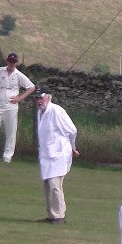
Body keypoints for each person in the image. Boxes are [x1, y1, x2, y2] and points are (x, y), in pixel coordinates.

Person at [35, 91, 78, 225]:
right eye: (37, 98)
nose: (39, 101)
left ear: (48, 97)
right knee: (47, 186)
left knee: (55, 185)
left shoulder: (57, 111)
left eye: (41, 98)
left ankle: (60, 216)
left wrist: (72, 147)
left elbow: (72, 130)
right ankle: (51, 215)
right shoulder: (40, 113)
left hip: (59, 154)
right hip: (46, 155)